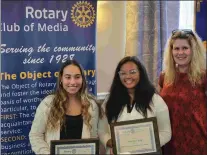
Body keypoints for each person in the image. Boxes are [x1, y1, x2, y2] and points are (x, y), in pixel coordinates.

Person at [99, 56, 172, 154]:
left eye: (133, 72)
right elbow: (102, 130)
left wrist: (146, 145)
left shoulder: (155, 100)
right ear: (118, 76)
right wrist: (109, 141)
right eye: (123, 73)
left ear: (140, 73)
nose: (128, 76)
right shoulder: (110, 100)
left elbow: (166, 133)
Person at [29, 59, 103, 154]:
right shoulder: (48, 103)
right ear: (61, 79)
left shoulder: (91, 105)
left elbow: (93, 137)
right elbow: (35, 135)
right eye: (68, 77)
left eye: (77, 77)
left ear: (82, 79)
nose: (73, 82)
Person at [159, 29, 207, 155]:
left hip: (197, 143)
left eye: (185, 48)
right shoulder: (164, 77)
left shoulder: (203, 77)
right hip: (170, 142)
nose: (180, 53)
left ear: (193, 50)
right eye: (176, 48)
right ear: (171, 51)